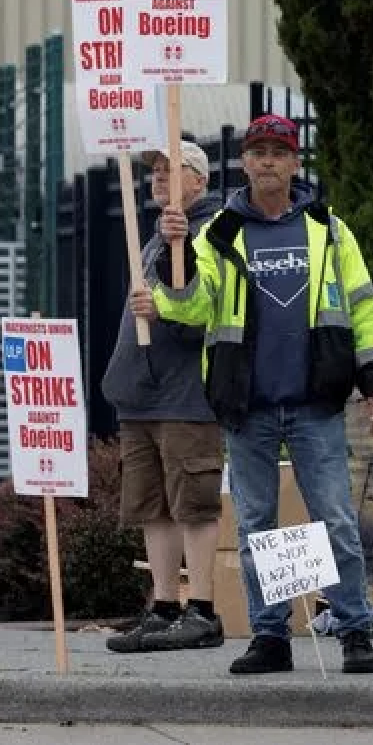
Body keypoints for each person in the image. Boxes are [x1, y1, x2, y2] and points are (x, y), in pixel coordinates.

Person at [132, 113, 373, 676]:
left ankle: (354, 630)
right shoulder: (219, 231)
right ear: (244, 162)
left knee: (337, 522)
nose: (268, 161)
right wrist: (175, 267)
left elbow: (363, 305)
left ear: (296, 163)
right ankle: (271, 636)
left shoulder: (329, 229)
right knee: (256, 528)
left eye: (279, 151)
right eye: (258, 152)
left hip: (314, 403)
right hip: (246, 406)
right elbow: (190, 309)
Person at [102, 140, 226, 653]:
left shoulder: (211, 236)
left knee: (192, 503)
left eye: (172, 170)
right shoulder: (153, 239)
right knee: (152, 504)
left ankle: (201, 608)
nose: (158, 178)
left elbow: (210, 308)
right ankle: (164, 605)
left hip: (186, 397)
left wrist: (165, 305)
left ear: (200, 181)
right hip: (141, 397)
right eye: (154, 170)